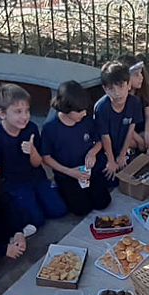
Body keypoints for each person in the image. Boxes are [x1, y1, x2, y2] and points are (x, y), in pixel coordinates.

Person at [0, 83, 67, 227]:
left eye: (27, 110)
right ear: (2, 114)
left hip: (36, 177)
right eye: (18, 112)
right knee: (37, 220)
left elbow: (37, 162)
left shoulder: (31, 128)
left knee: (59, 210)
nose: (25, 116)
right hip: (14, 184)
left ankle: (43, 194)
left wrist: (32, 151)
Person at [41, 80, 112, 215]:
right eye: (79, 111)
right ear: (66, 107)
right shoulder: (50, 128)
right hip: (67, 174)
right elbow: (46, 157)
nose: (83, 113)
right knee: (81, 209)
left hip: (87, 170)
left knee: (103, 202)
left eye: (85, 109)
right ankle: (60, 189)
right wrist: (69, 172)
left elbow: (98, 140)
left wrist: (92, 153)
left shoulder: (86, 120)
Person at [94, 61, 144, 186]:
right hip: (105, 150)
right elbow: (104, 137)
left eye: (121, 86)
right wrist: (111, 160)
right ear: (105, 89)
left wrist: (122, 154)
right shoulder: (102, 108)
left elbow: (130, 130)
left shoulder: (134, 102)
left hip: (123, 146)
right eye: (111, 89)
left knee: (136, 173)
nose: (117, 93)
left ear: (128, 85)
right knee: (109, 179)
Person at [119, 54, 149, 150]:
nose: (141, 77)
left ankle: (143, 141)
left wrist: (147, 134)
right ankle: (139, 144)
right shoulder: (121, 97)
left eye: (141, 73)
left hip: (142, 127)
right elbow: (124, 125)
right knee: (128, 140)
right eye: (136, 75)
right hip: (128, 131)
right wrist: (139, 140)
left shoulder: (142, 92)